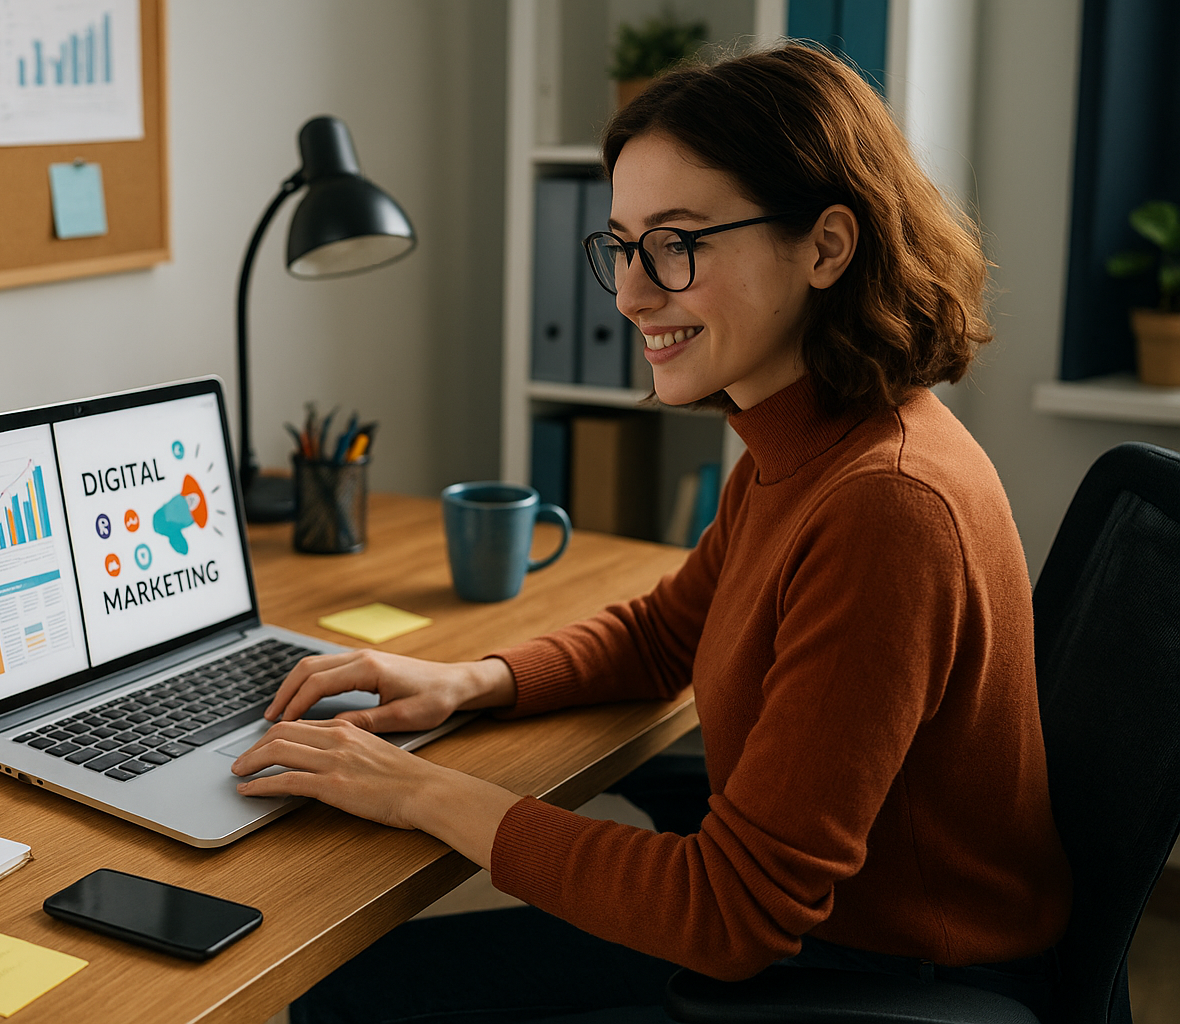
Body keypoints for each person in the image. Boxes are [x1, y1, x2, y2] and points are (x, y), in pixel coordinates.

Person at [229, 43, 1071, 1023]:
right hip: (824, 938)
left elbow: (730, 911)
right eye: (623, 245)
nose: (631, 294)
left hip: (878, 977)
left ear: (826, 247)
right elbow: (670, 630)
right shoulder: (804, 432)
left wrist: (418, 792)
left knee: (347, 1003)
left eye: (679, 243)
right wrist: (468, 682)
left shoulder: (885, 502)